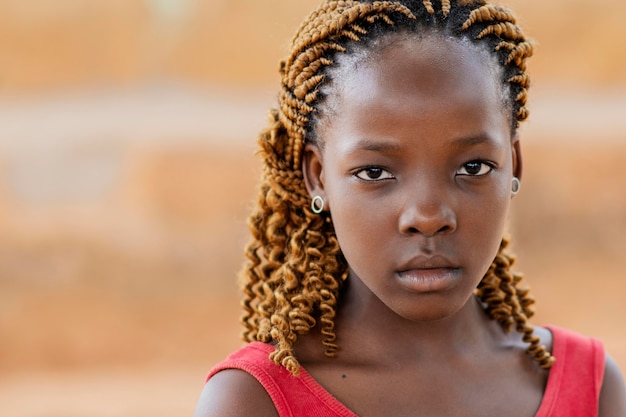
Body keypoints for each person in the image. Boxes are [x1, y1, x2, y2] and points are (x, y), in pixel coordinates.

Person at [194, 1, 626, 415]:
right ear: (317, 175)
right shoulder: (256, 401)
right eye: (375, 172)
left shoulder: (591, 389)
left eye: (473, 166)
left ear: (514, 163)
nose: (428, 216)